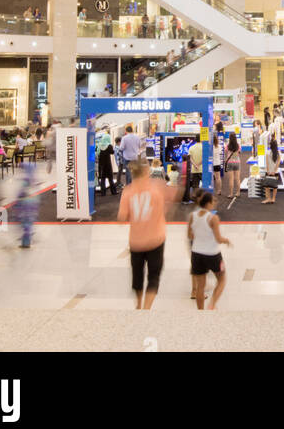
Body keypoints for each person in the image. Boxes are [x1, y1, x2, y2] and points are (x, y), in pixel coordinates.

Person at [117, 160, 179, 310]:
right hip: (156, 240)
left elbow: (121, 218)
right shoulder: (156, 188)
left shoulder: (128, 191)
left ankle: (138, 305)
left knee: (137, 276)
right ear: (146, 173)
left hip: (136, 242)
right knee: (153, 276)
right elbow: (174, 195)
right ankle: (147, 308)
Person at [188, 190, 232, 310]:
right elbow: (218, 239)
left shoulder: (192, 216)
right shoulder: (213, 218)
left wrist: (200, 236)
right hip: (212, 254)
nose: (214, 203)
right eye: (213, 201)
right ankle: (212, 304)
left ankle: (200, 312)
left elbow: (190, 236)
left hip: (196, 253)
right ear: (208, 204)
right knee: (222, 279)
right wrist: (226, 240)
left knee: (200, 286)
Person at [96, 127, 117, 196]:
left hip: (101, 165)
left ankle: (103, 193)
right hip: (108, 165)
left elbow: (97, 153)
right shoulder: (109, 146)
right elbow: (112, 152)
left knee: (102, 179)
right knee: (110, 178)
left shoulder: (99, 145)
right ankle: (113, 192)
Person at [263, 137, 281, 204]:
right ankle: (273, 199)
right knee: (274, 186)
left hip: (268, 171)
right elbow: (278, 163)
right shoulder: (278, 153)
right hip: (275, 172)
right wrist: (274, 171)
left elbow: (267, 163)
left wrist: (268, 171)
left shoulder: (267, 153)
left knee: (267, 186)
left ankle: (268, 198)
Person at [224, 133, 241, 199]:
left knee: (231, 179)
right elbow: (239, 153)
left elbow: (226, 153)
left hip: (230, 162)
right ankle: (238, 192)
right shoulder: (238, 145)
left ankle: (231, 194)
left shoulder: (228, 146)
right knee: (237, 178)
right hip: (237, 162)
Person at [212, 123, 224, 197]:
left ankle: (212, 190)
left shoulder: (210, 147)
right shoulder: (219, 146)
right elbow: (220, 153)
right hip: (217, 163)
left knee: (211, 177)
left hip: (211, 163)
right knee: (218, 177)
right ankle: (219, 190)